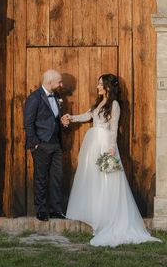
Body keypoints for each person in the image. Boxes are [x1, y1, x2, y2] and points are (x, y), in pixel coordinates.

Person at [64, 74, 161, 247]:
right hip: (93, 142)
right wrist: (71, 117)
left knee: (106, 181)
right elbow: (87, 116)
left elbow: (114, 128)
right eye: (98, 83)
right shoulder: (99, 102)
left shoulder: (114, 105)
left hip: (104, 143)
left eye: (100, 84)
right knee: (93, 180)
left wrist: (111, 150)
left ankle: (106, 220)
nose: (98, 86)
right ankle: (96, 217)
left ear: (108, 86)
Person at [23, 69, 70, 221]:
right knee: (41, 178)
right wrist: (35, 143)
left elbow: (53, 118)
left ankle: (56, 210)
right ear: (50, 82)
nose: (61, 84)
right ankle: (41, 210)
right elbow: (28, 123)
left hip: (56, 144)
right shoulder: (34, 98)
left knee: (57, 177)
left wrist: (62, 122)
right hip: (41, 144)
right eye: (59, 82)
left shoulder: (57, 96)